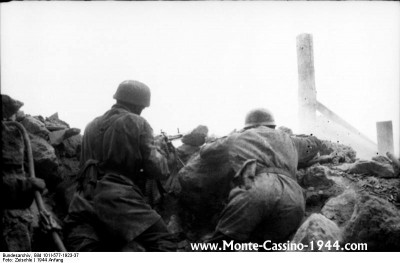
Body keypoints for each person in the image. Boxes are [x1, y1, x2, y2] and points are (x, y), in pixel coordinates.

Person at [64, 80, 176, 252]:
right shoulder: (137, 122)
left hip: (82, 199)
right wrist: (163, 155)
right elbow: (157, 169)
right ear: (140, 105)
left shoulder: (91, 125)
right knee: (163, 241)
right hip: (119, 198)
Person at [202, 108, 322, 249]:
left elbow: (205, 152)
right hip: (294, 197)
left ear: (248, 126)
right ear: (272, 125)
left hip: (257, 189)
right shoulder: (289, 140)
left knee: (222, 245)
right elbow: (314, 143)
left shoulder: (238, 137)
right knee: (267, 248)